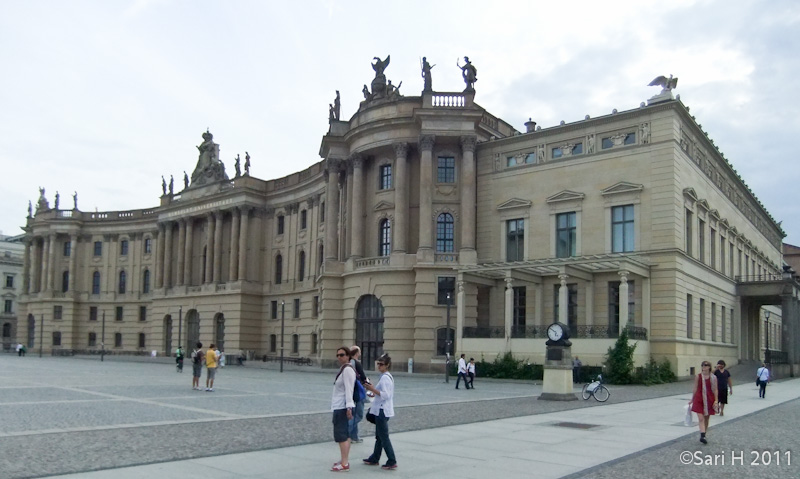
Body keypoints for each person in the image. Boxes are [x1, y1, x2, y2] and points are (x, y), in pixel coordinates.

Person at [363, 353, 396, 470]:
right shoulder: (385, 376)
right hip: (381, 410)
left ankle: (391, 460)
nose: (379, 366)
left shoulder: (386, 378)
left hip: (382, 410)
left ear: (387, 365)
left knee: (383, 437)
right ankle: (375, 457)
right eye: (378, 364)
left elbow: (386, 395)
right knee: (379, 436)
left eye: (381, 364)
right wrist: (372, 391)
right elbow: (380, 393)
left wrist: (372, 389)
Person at [331, 347, 356, 472]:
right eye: (338, 355)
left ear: (348, 356)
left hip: (342, 406)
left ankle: (345, 463)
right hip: (340, 405)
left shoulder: (347, 370)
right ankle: (344, 459)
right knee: (345, 434)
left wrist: (348, 407)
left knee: (341, 435)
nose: (339, 357)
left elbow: (349, 389)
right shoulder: (344, 368)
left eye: (342, 354)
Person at [689, 361, 718, 444]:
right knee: (701, 418)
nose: (704, 367)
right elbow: (695, 388)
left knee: (706, 418)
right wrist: (692, 399)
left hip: (709, 398)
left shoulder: (713, 377)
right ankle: (702, 435)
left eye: (705, 365)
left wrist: (716, 400)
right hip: (699, 398)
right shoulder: (698, 376)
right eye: (702, 365)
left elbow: (715, 389)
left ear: (709, 367)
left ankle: (704, 434)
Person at [348, 345, 367, 444]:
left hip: (351, 391)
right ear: (357, 353)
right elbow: (363, 378)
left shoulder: (349, 363)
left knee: (354, 414)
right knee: (358, 415)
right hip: (358, 392)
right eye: (359, 351)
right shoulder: (356, 363)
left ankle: (354, 436)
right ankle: (346, 434)